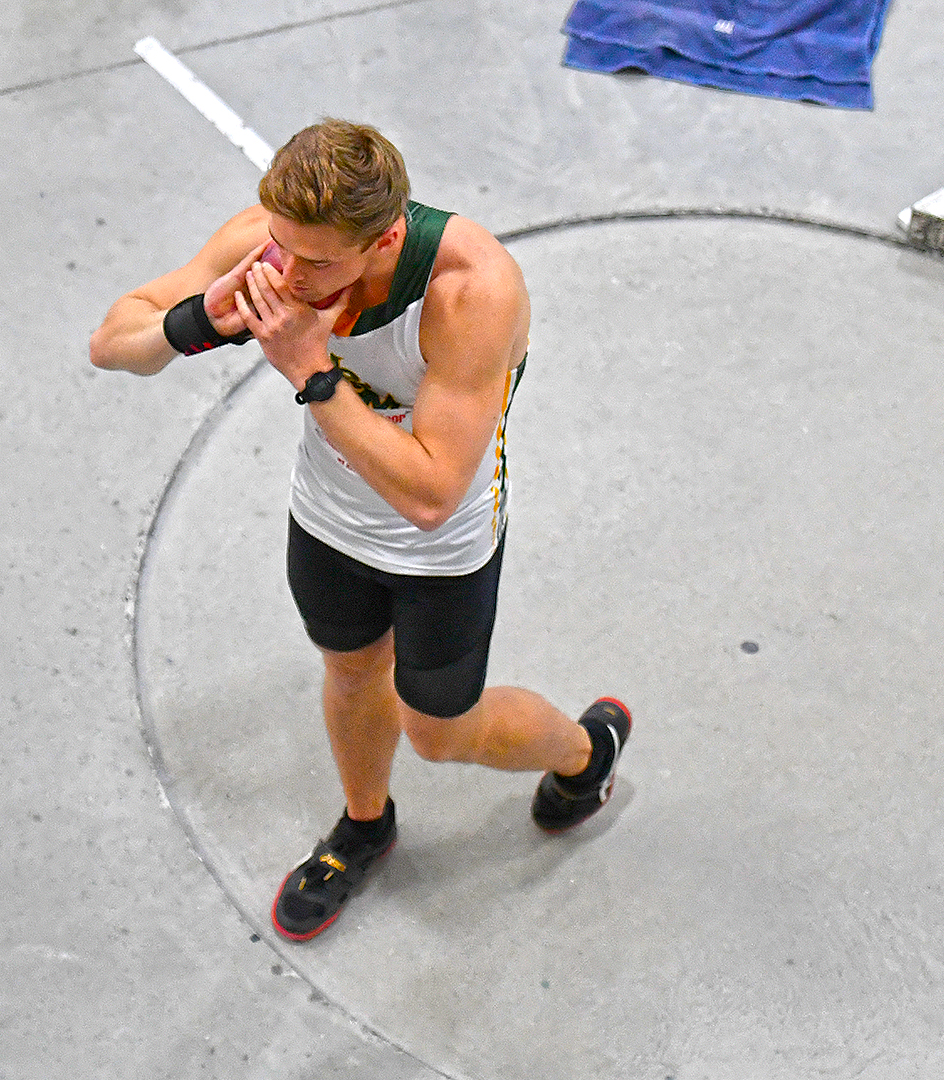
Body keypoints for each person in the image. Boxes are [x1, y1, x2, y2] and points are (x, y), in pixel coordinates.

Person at [90, 118, 632, 942]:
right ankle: (365, 826)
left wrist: (309, 368)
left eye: (316, 262)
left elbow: (430, 494)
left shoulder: (471, 290)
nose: (287, 273)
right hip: (327, 520)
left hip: (440, 554)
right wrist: (201, 318)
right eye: (281, 245)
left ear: (382, 239)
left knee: (442, 733)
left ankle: (583, 757)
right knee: (349, 675)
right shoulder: (269, 246)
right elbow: (111, 344)